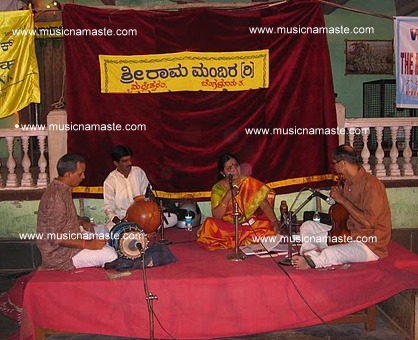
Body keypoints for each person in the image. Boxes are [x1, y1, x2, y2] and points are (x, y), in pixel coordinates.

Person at [292, 145, 392, 270]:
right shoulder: (347, 182)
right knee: (307, 226)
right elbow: (343, 214)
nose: (334, 167)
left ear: (343, 163)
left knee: (330, 251)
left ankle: (313, 261)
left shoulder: (371, 185)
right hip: (348, 233)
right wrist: (337, 199)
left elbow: (369, 223)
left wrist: (342, 200)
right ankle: (311, 255)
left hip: (369, 244)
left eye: (334, 163)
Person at [37, 154, 117, 271]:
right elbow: (55, 237)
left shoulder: (63, 187)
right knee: (111, 255)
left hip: (73, 236)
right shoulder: (56, 198)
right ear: (68, 174)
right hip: (61, 255)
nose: (83, 176)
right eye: (80, 174)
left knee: (102, 230)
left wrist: (81, 222)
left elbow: (64, 216)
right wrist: (87, 244)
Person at [197, 153, 280, 250]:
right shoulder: (218, 188)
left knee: (267, 225)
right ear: (223, 173)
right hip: (228, 226)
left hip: (248, 224)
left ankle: (240, 238)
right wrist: (227, 197)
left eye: (236, 165)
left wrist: (274, 222)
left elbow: (264, 205)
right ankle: (243, 239)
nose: (235, 170)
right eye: (229, 168)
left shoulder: (249, 182)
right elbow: (217, 216)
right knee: (209, 225)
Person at [103, 145, 177, 230]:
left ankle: (138, 230)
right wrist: (119, 221)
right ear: (116, 163)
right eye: (125, 161)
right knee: (108, 228)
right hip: (124, 218)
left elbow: (147, 194)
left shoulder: (138, 172)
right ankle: (140, 230)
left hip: (144, 215)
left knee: (173, 218)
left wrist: (149, 212)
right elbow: (108, 207)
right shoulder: (110, 181)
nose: (129, 163)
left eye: (130, 159)